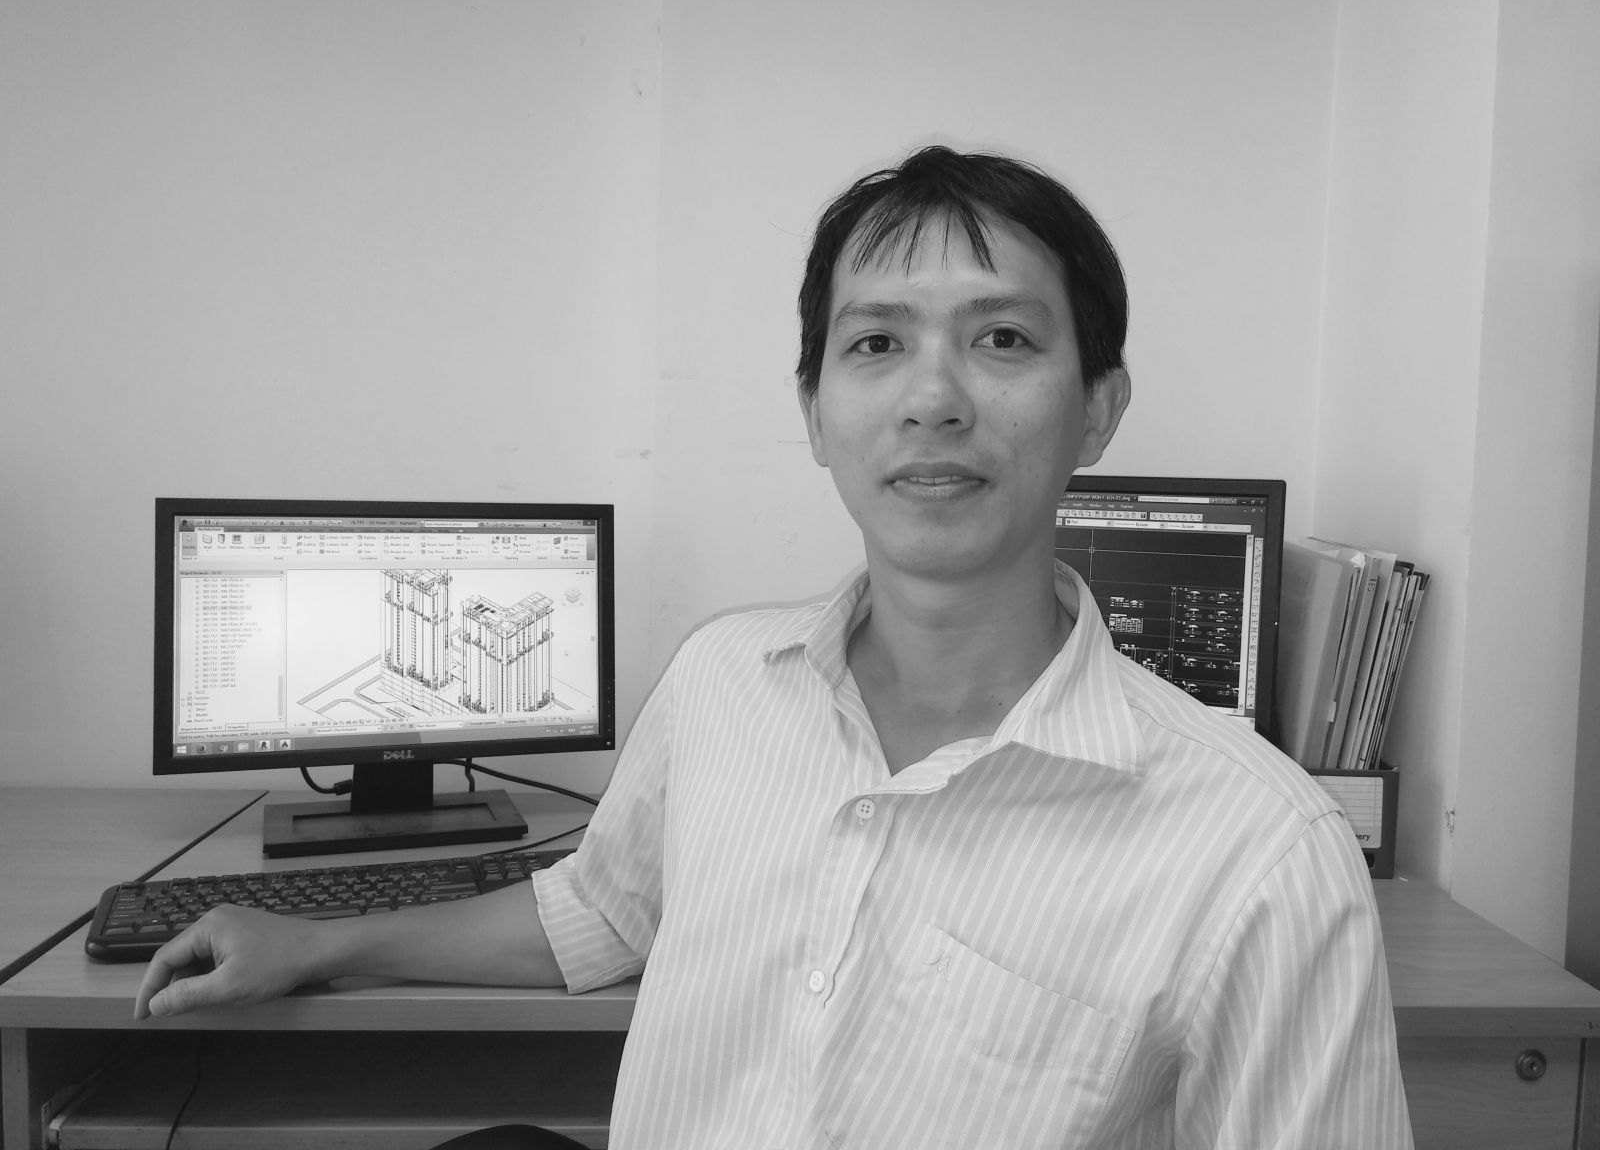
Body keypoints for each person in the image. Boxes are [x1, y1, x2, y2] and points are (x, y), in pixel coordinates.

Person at [137, 146, 1414, 1148]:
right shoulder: (721, 684)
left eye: (1003, 339)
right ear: (815, 411)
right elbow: (597, 911)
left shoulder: (1259, 855)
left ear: (1098, 410)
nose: (933, 397)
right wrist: (317, 942)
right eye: (876, 343)